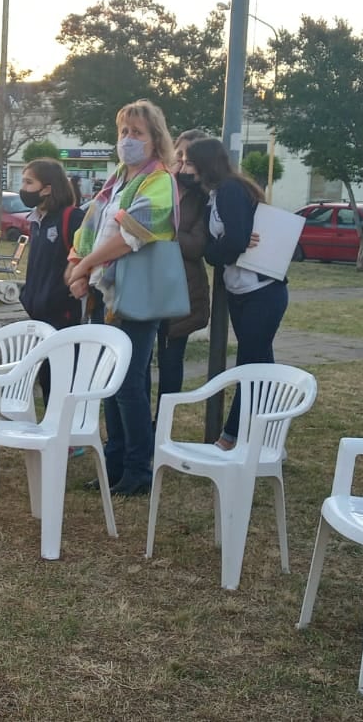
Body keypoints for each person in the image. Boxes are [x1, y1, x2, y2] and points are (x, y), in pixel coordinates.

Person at [65, 99, 178, 496]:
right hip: (104, 293)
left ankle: (137, 471)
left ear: (155, 139)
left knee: (129, 384)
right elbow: (91, 230)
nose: (128, 140)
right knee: (108, 383)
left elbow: (131, 235)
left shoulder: (159, 180)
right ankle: (113, 464)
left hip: (134, 296)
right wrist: (78, 264)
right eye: (123, 132)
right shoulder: (115, 181)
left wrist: (84, 267)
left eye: (137, 133)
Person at [186, 137, 289, 450]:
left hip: (263, 290)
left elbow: (232, 244)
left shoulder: (231, 190)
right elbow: (226, 244)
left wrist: (217, 251)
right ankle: (269, 438)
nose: (186, 169)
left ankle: (232, 436)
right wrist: (222, 248)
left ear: (204, 164)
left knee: (250, 364)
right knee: (260, 363)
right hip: (240, 291)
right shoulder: (214, 196)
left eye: (189, 162)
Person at [18, 157, 84, 401]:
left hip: (62, 312)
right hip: (38, 311)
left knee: (62, 377)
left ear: (47, 188)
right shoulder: (36, 221)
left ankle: (67, 435)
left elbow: (80, 258)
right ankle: (51, 430)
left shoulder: (70, 218)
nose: (23, 188)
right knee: (45, 375)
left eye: (28, 182)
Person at [157, 129, 213, 416]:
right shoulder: (156, 185)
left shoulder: (201, 199)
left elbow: (196, 246)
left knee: (171, 357)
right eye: (179, 154)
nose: (181, 162)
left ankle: (162, 421)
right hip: (148, 285)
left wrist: (161, 230)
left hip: (182, 287)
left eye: (189, 158)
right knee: (139, 358)